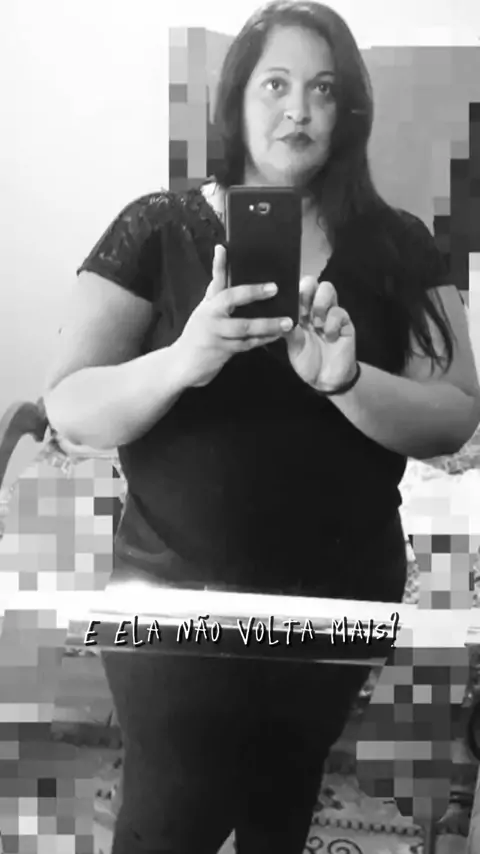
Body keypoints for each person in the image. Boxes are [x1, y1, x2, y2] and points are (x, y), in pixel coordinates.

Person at [44, 1, 480, 852]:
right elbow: (69, 405)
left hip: (339, 599)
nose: (299, 109)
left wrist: (346, 381)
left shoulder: (400, 246)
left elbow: (456, 412)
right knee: (169, 821)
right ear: (236, 100)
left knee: (282, 805)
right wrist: (185, 357)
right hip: (170, 602)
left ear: (349, 110)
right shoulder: (156, 228)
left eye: (324, 89)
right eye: (275, 85)